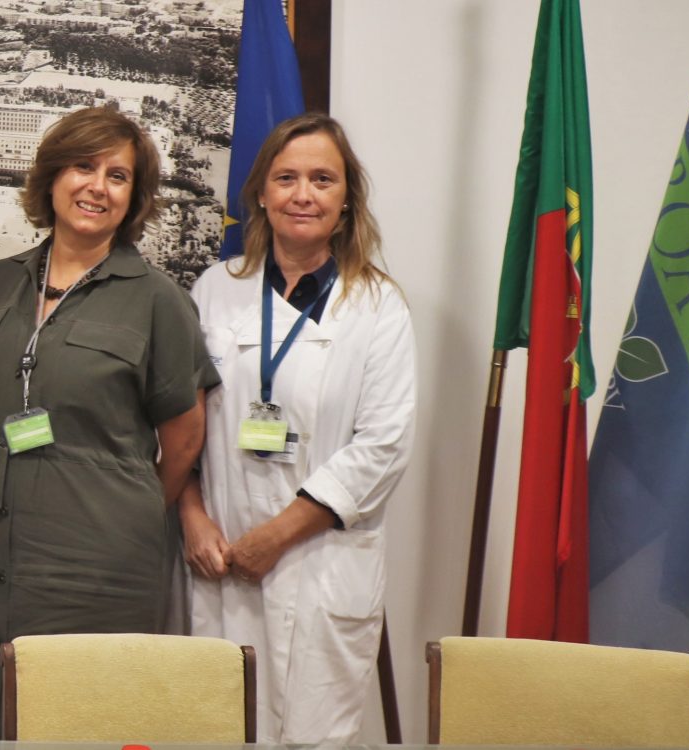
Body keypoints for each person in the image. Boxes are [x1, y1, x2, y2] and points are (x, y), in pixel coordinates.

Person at [0, 107, 217, 739]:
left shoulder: (157, 299)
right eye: (83, 167)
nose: (98, 186)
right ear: (53, 177)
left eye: (118, 175)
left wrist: (127, 512)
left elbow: (184, 438)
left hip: (100, 573)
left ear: (133, 197)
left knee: (85, 729)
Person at [183, 112, 415, 744]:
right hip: (218, 560)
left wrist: (275, 537)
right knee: (216, 729)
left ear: (346, 199)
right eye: (286, 178)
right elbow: (177, 424)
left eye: (322, 179)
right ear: (261, 192)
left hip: (320, 565)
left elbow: (383, 446)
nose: (302, 194)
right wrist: (192, 515)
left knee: (311, 736)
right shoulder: (215, 290)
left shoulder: (378, 306)